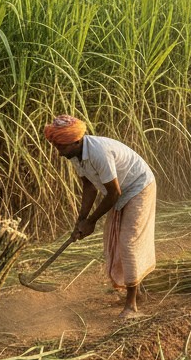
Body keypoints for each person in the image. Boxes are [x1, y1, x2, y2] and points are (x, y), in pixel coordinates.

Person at [44, 115, 156, 319]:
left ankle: (131, 306)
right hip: (122, 191)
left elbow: (114, 193)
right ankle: (138, 293)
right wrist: (82, 219)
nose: (59, 152)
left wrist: (92, 221)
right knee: (116, 242)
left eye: (61, 147)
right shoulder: (77, 155)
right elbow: (89, 186)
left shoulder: (98, 153)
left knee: (128, 242)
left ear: (76, 141)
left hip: (139, 186)